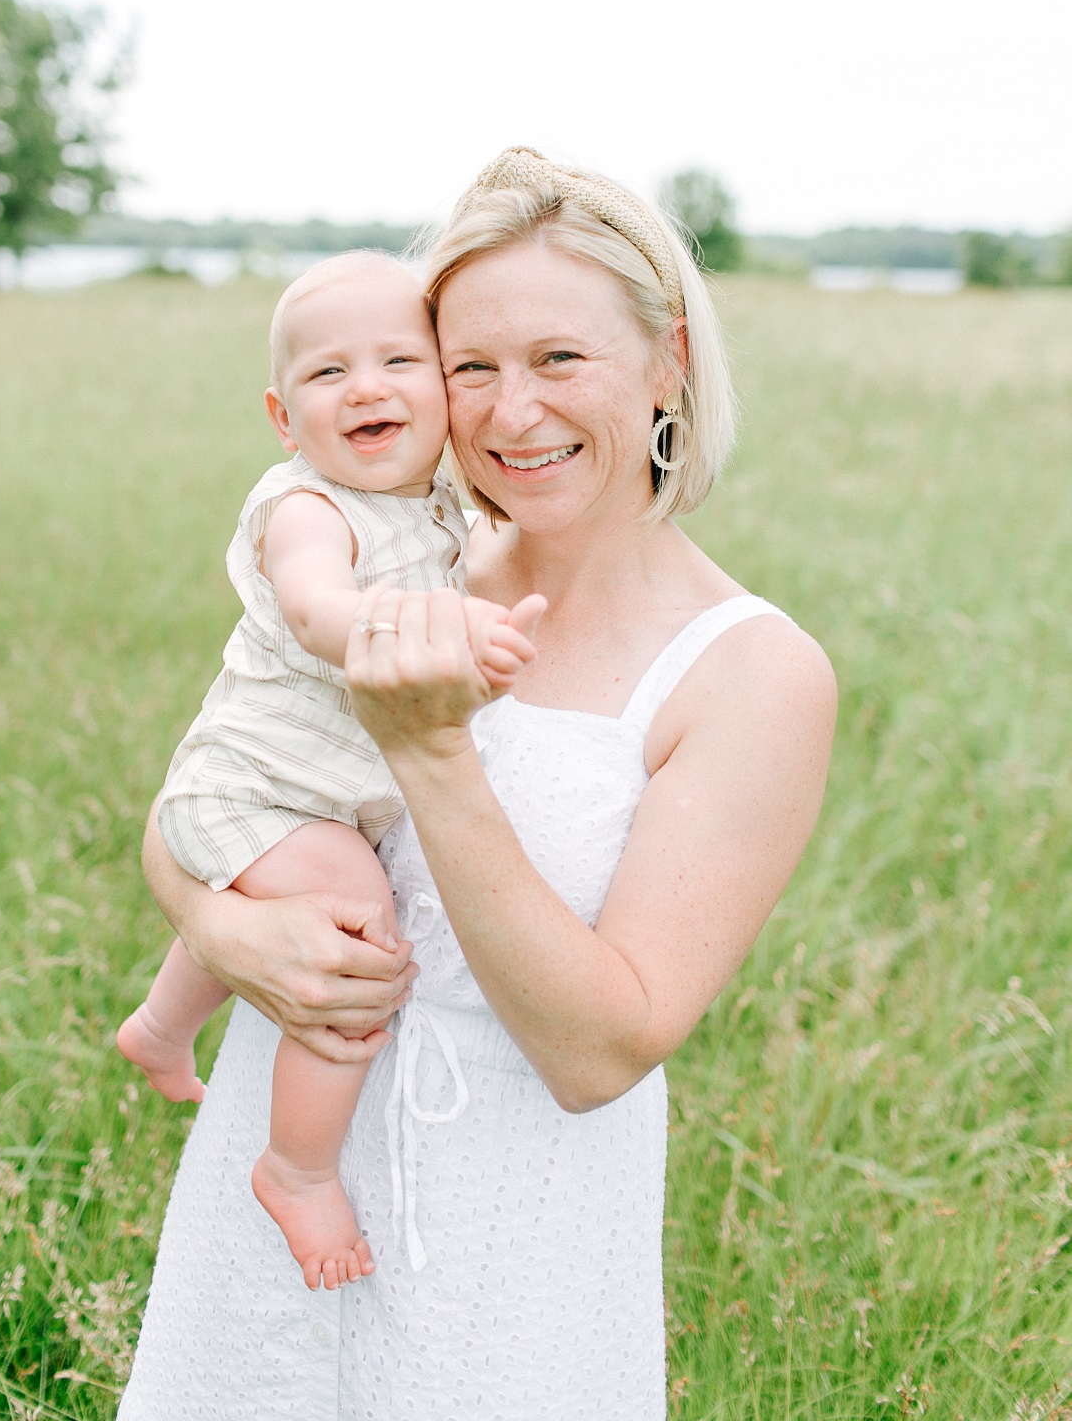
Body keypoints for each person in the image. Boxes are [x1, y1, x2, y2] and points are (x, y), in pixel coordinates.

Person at [119, 148, 835, 1419]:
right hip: (285, 1154)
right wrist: (221, 928)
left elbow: (601, 1050)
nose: (512, 415)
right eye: (471, 368)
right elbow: (209, 801)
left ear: (668, 357)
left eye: (561, 360)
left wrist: (430, 751)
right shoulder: (395, 570)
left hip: (519, 1216)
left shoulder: (753, 675)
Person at [112, 252, 539, 1290]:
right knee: (351, 923)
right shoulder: (307, 508)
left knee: (277, 896)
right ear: (281, 414)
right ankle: (297, 1169)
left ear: (445, 389)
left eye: (401, 360)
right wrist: (431, 631)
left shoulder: (438, 506)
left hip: (310, 793)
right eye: (328, 373)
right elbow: (315, 607)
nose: (367, 387)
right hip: (252, 785)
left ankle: (160, 1029)